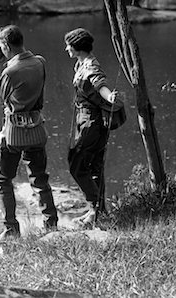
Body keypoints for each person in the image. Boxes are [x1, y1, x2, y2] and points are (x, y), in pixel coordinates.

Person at [0, 25, 58, 242]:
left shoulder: (10, 72)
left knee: (2, 179)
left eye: (2, 46)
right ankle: (51, 225)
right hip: (36, 129)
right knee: (39, 179)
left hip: (14, 133)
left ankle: (11, 229)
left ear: (6, 46)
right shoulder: (40, 62)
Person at [64, 28, 117, 225]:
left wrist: (109, 96)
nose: (66, 48)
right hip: (87, 120)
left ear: (77, 48)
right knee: (94, 165)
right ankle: (97, 211)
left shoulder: (91, 67)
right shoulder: (82, 63)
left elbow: (100, 84)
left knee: (76, 164)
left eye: (68, 45)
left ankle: (95, 206)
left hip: (90, 123)